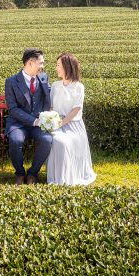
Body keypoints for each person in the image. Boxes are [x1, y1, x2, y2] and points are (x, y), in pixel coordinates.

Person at [46, 53, 96, 186]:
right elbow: (51, 106)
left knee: (62, 141)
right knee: (55, 140)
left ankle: (65, 178)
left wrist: (62, 123)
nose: (56, 68)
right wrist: (52, 120)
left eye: (58, 65)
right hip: (56, 123)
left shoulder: (79, 87)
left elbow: (76, 109)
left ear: (67, 67)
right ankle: (57, 177)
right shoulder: (56, 85)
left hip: (73, 126)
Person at [5, 48, 52, 185]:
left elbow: (49, 96)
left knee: (47, 140)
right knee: (15, 140)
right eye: (41, 63)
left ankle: (32, 173)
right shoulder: (11, 81)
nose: (43, 66)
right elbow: (13, 109)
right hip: (18, 123)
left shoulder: (43, 77)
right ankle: (20, 174)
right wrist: (34, 121)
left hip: (38, 123)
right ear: (30, 63)